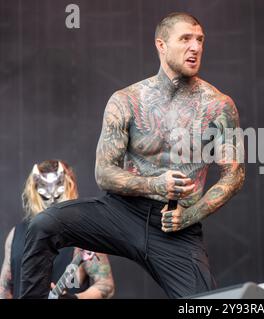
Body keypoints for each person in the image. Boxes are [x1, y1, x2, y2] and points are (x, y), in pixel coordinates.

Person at [20, 12, 245, 299]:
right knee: (44, 225)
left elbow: (234, 175)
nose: (195, 47)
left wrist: (189, 215)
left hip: (176, 226)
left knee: (204, 303)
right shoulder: (126, 100)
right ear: (161, 45)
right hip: (121, 213)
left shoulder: (219, 105)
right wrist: (155, 184)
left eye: (200, 40)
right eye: (185, 39)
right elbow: (103, 174)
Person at [0, 160, 115, 299]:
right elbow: (4, 290)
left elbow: (106, 286)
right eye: (44, 192)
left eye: (58, 191)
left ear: (68, 187)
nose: (52, 199)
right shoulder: (15, 235)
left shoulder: (83, 234)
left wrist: (75, 298)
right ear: (34, 190)